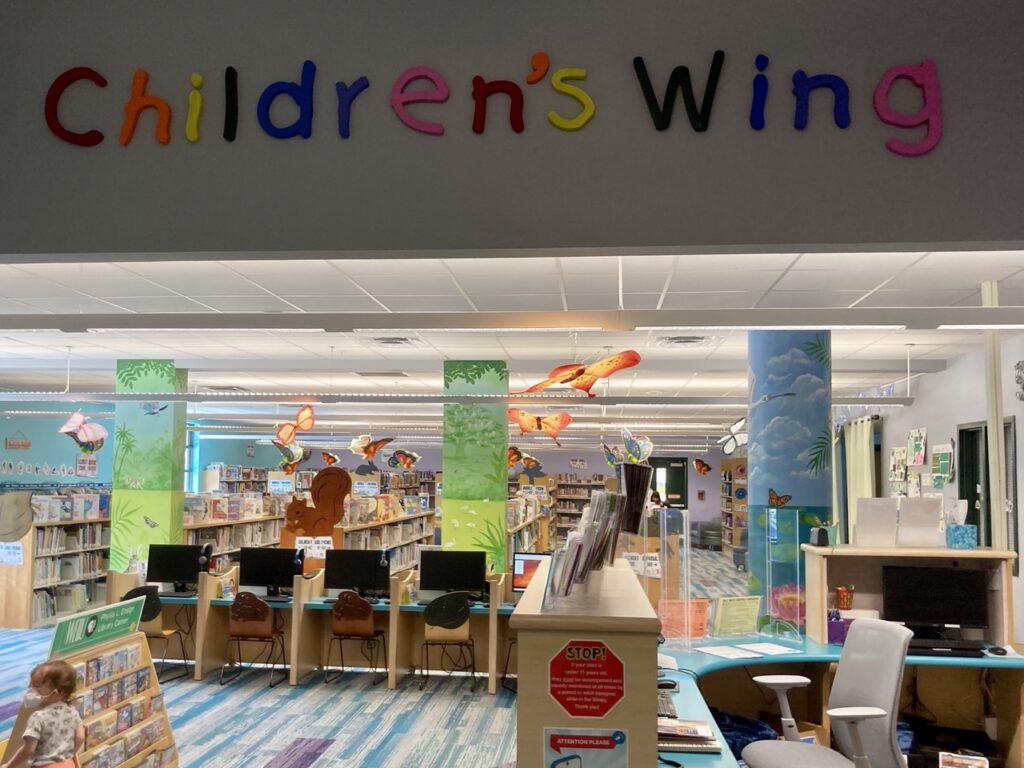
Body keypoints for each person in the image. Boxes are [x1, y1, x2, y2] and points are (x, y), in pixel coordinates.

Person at [1, 661, 84, 768]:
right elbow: (80, 737)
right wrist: (68, 757)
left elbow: (29, 749)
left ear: (58, 690)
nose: (31, 690)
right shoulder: (72, 711)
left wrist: (9, 765)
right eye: (30, 686)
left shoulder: (38, 717)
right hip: (68, 764)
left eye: (36, 686)